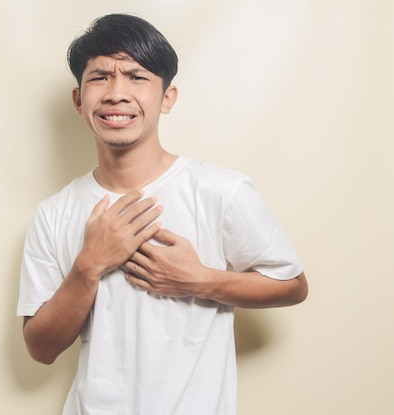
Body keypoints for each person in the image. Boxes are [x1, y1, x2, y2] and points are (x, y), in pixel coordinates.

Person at [17, 13, 308, 415]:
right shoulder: (53, 213)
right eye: (100, 77)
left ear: (167, 97)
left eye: (137, 77)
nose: (117, 93)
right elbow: (40, 348)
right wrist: (88, 266)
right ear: (78, 99)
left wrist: (199, 280)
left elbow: (292, 285)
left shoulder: (222, 191)